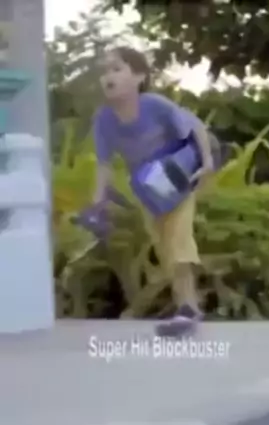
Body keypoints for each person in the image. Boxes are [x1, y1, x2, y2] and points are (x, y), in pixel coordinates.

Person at [92, 46, 217, 337]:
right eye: (104, 71)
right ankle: (189, 308)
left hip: (177, 179)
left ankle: (186, 309)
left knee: (177, 239)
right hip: (148, 191)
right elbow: (104, 163)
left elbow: (194, 127)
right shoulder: (104, 120)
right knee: (164, 247)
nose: (108, 76)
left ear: (139, 77)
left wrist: (207, 162)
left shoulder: (155, 105)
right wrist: (98, 198)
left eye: (117, 68)